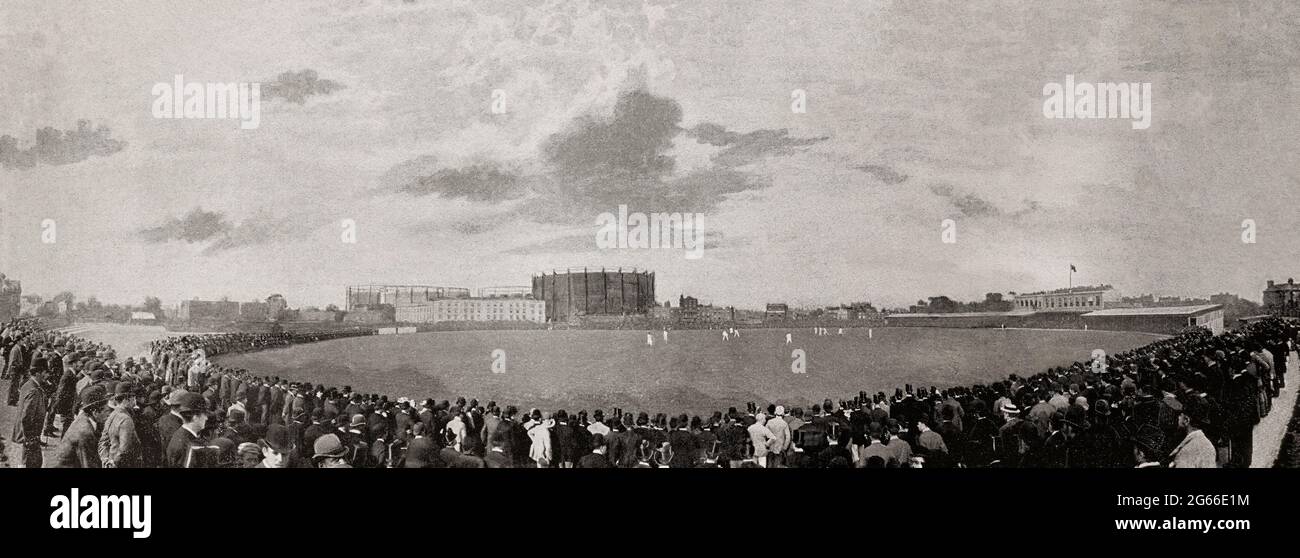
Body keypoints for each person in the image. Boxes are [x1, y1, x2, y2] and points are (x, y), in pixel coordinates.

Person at [49, 385, 113, 468]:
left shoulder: (85, 418)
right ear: (95, 411)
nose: (109, 414)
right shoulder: (85, 432)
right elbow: (88, 465)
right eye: (106, 411)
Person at [9, 365, 51, 467]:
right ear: (37, 373)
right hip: (31, 436)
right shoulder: (34, 390)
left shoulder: (28, 385)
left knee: (29, 461)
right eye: (45, 373)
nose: (48, 375)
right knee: (31, 463)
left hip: (29, 436)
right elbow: (27, 417)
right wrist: (30, 438)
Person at [99, 383, 141, 468]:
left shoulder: (112, 415)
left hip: (111, 460)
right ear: (127, 399)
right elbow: (124, 449)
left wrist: (105, 460)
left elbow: (103, 442)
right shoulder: (126, 419)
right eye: (133, 397)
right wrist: (115, 463)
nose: (135, 401)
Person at [1168, 399, 1217, 469]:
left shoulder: (1187, 450)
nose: (1178, 418)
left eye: (1180, 415)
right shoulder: (1208, 445)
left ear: (1186, 420)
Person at [165, 392, 209, 468]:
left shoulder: (179, 434)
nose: (206, 418)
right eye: (204, 415)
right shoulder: (189, 444)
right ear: (195, 417)